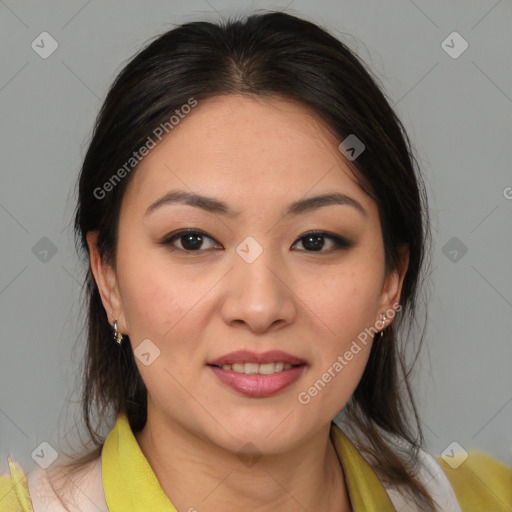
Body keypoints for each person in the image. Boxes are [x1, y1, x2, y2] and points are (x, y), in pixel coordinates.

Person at [1, 10, 511, 512]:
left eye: (315, 242)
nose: (260, 306)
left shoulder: (487, 499)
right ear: (107, 276)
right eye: (193, 240)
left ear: (391, 281)